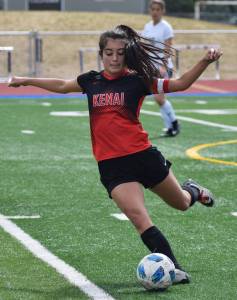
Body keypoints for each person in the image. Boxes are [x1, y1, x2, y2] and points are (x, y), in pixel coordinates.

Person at [8, 24, 222, 285]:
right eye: (109, 52)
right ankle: (172, 269)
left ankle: (192, 190)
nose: (114, 58)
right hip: (113, 166)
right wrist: (26, 79)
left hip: (143, 157)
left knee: (180, 203)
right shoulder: (91, 80)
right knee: (139, 218)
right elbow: (63, 85)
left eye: (120, 53)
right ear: (101, 54)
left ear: (127, 55)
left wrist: (204, 61)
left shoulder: (137, 80)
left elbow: (179, 84)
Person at [142, 0, 180, 137]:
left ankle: (174, 123)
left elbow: (168, 48)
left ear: (162, 11)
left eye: (158, 9)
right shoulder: (147, 27)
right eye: (153, 9)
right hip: (151, 67)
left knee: (159, 98)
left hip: (163, 67)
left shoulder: (166, 27)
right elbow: (145, 47)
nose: (155, 12)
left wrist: (163, 66)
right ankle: (170, 127)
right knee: (158, 98)